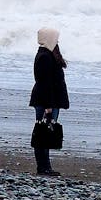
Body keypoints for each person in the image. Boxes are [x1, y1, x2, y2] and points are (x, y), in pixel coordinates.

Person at [29, 26, 70, 176]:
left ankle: (45, 167)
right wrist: (48, 106)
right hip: (46, 101)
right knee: (42, 134)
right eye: (55, 37)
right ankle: (43, 167)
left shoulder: (49, 54)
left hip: (50, 100)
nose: (57, 40)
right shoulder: (44, 56)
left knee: (45, 133)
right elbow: (43, 83)